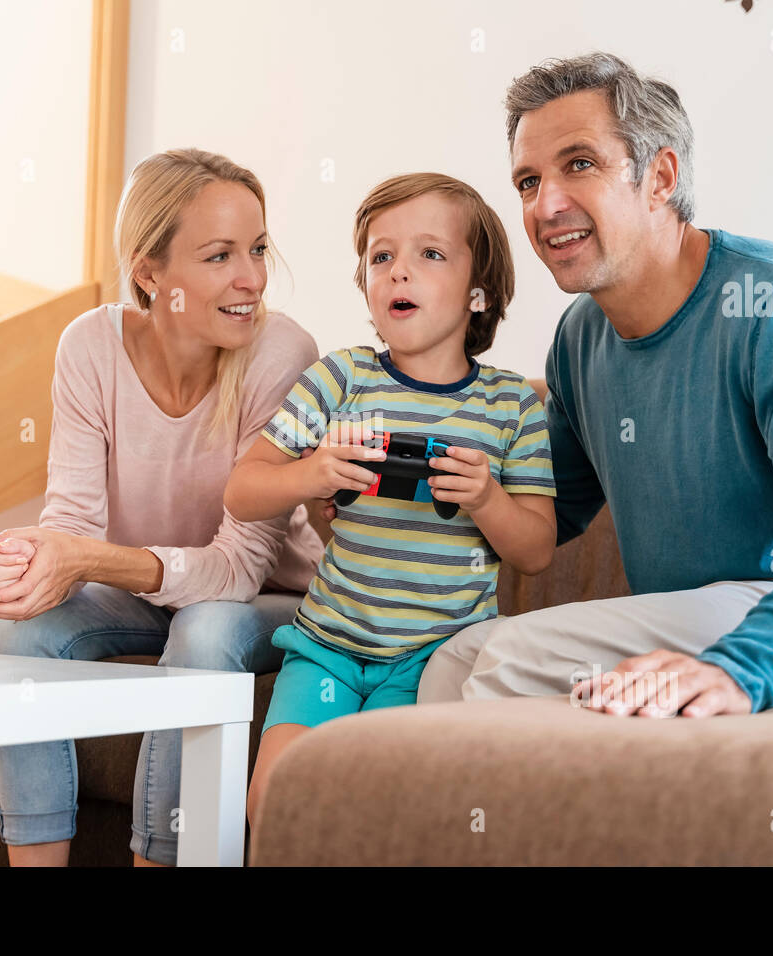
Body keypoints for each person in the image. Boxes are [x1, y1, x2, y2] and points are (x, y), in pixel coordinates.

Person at [416, 52, 773, 716]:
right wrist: (393, 498)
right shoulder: (582, 338)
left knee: (518, 660)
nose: (546, 205)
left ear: (660, 177)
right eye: (528, 181)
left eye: (580, 164)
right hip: (714, 617)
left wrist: (742, 666)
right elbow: (542, 509)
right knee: (456, 662)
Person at [0, 148, 326, 866]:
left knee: (201, 631)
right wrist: (30, 563)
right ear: (149, 272)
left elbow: (235, 571)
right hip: (150, 593)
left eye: (257, 249)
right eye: (220, 255)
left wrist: (87, 560)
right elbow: (69, 523)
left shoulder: (281, 354)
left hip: (269, 598)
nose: (251, 277)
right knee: (21, 630)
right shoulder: (88, 347)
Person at [225, 172, 558, 823]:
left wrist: (486, 497)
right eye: (382, 256)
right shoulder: (339, 378)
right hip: (327, 646)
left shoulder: (512, 405)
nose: (399, 271)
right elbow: (243, 491)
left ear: (479, 292)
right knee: (272, 802)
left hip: (433, 656)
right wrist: (314, 473)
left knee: (367, 809)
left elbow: (537, 550)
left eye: (429, 253)